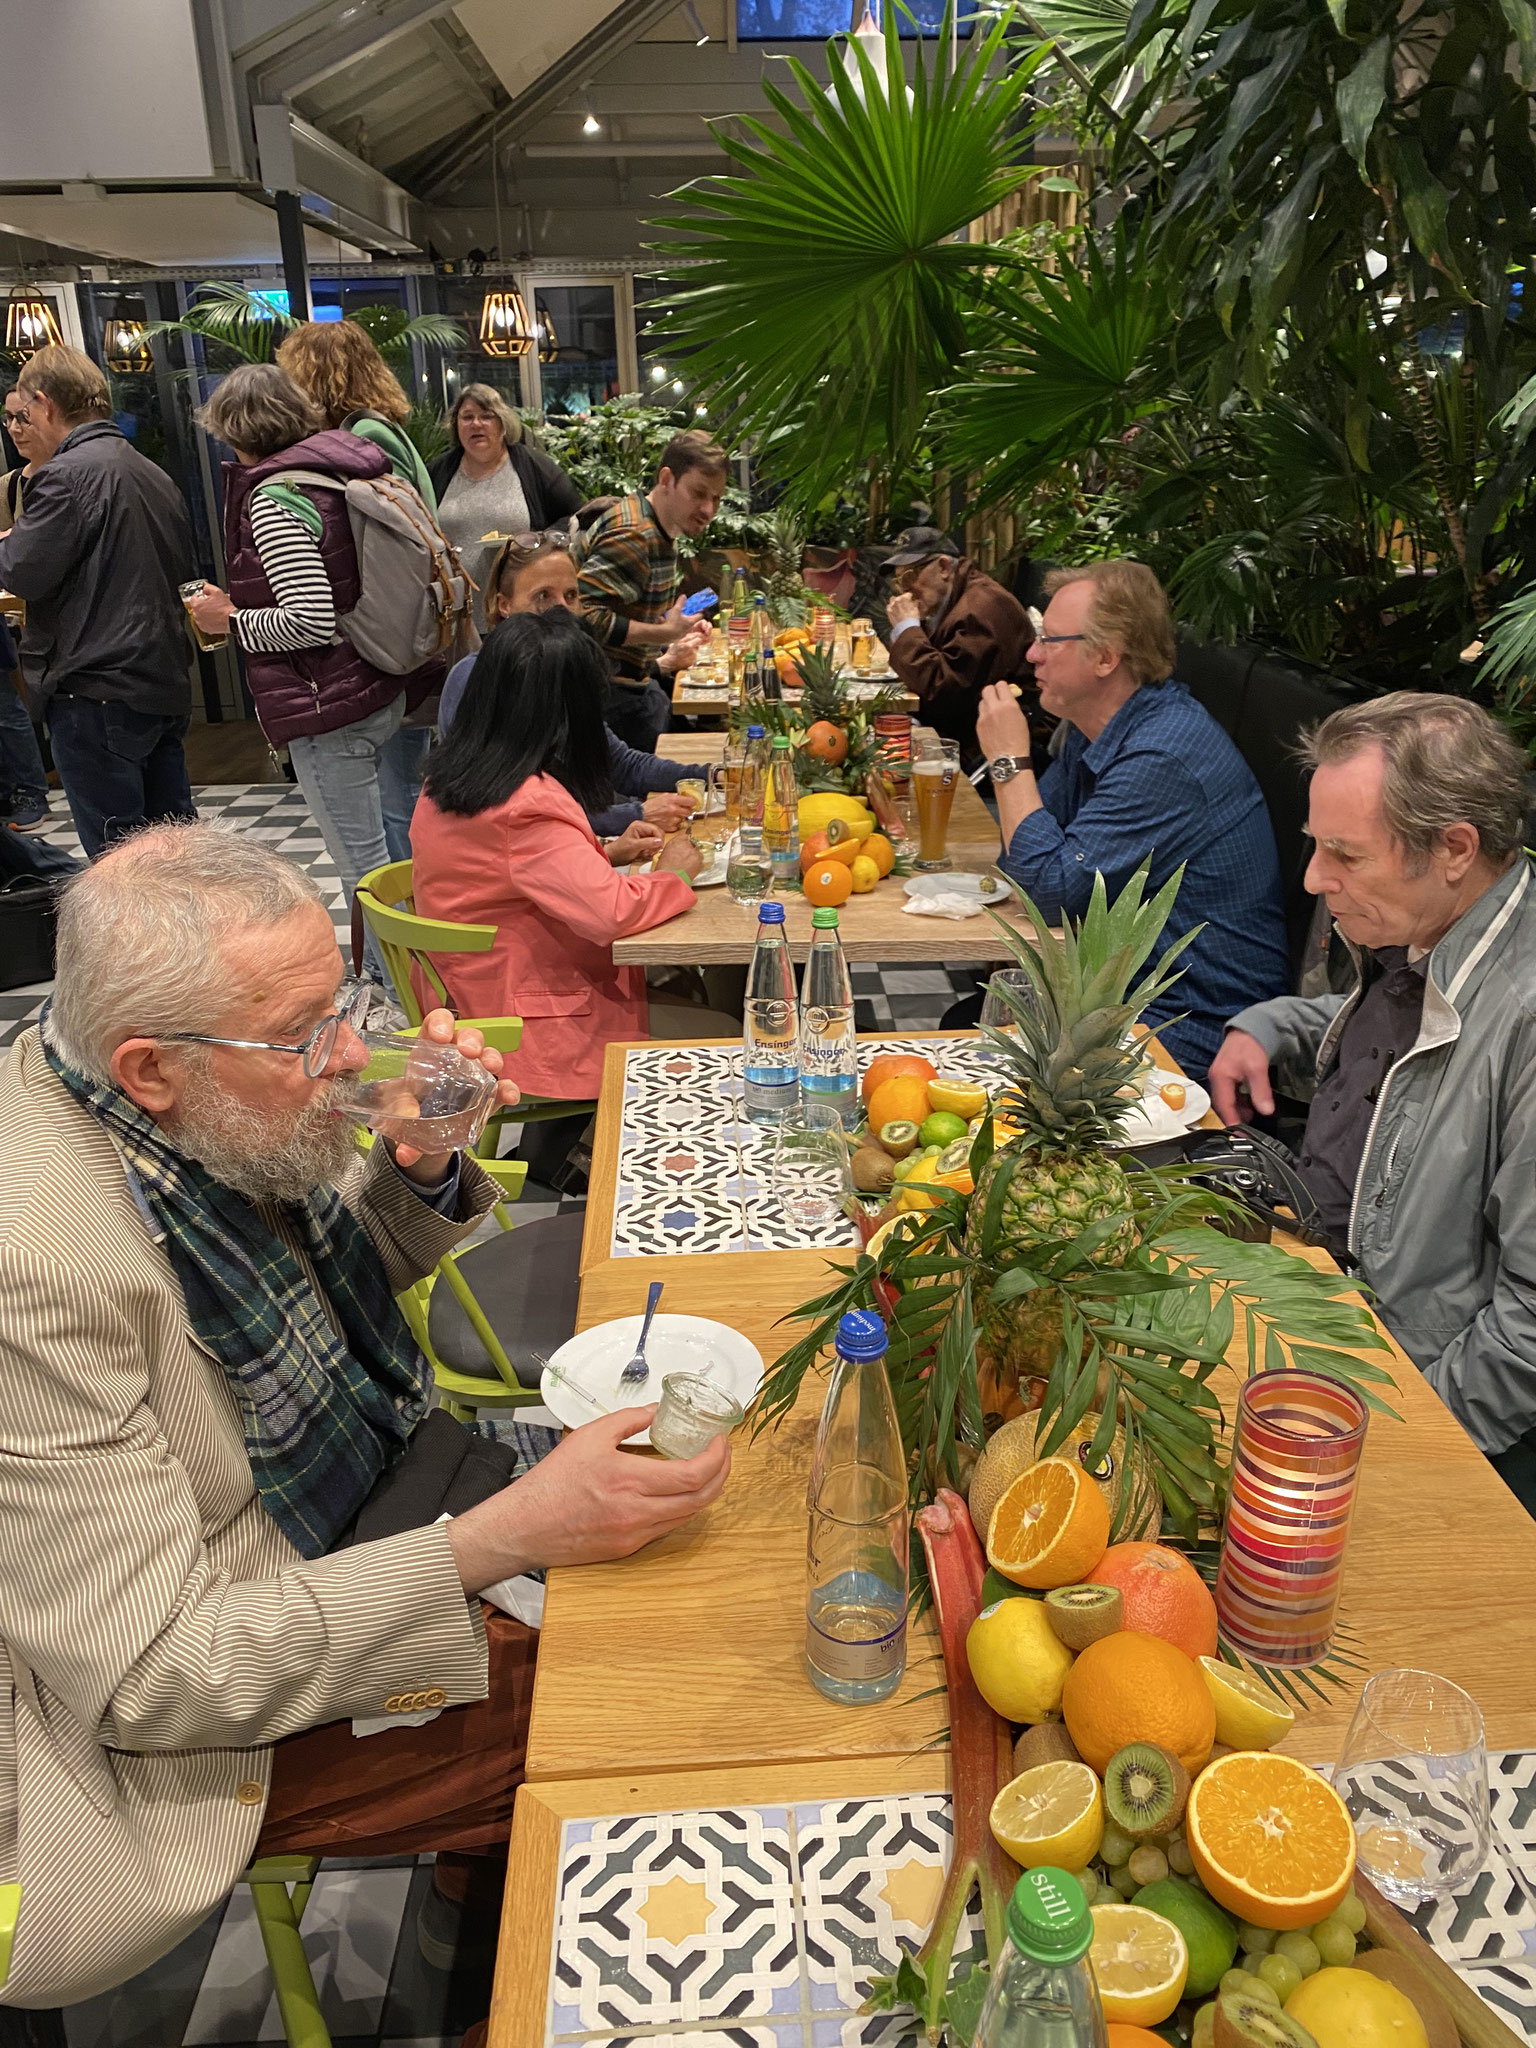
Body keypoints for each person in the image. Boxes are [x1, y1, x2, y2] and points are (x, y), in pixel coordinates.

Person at [0, 822, 730, 2005]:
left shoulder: (168, 1110)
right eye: (302, 1038)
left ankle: (471, 1893)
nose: (348, 1055)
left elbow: (309, 1289)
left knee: (683, 1558)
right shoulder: (36, 1266)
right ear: (148, 1066)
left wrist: (425, 1163)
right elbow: (154, 1679)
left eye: (342, 1005)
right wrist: (505, 1536)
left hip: (378, 1500)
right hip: (193, 1736)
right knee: (657, 1682)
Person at [1208, 693, 1536, 1516]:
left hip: (1393, 1410)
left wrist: (1392, 1453)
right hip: (1307, 1296)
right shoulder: (1433, 928)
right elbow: (1412, 1061)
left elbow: (1528, 1330)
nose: (1316, 879)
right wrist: (1272, 1024)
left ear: (1455, 847)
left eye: (1344, 856)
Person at [972, 559, 1289, 1078]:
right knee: (967, 1027)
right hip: (1118, 1004)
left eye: (1049, 639)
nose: (1031, 654)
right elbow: (1025, 858)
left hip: (1193, 1028)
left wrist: (1009, 762)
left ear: (1105, 657)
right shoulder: (1094, 728)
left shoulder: (1164, 756)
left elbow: (1048, 891)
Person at [411, 609, 737, 1108]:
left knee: (688, 984)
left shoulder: (455, 776)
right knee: (727, 1032)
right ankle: (601, 1149)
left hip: (477, 997)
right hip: (527, 1026)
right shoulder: (526, 804)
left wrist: (606, 852)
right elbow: (610, 914)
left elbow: (510, 875)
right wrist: (674, 874)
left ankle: (568, 1147)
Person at [185, 364, 432, 982]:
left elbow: (308, 621)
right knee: (386, 855)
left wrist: (230, 619)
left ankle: (397, 998)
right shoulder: (339, 469)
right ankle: (418, 977)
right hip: (377, 685)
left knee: (362, 869)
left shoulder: (274, 499)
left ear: (232, 431)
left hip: (329, 705)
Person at [0, 345, 195, 857]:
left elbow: (21, 572)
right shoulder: (149, 470)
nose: (19, 425)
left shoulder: (64, 476)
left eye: (23, 413)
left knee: (119, 865)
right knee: (175, 851)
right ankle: (190, 941)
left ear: (43, 402)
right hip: (158, 678)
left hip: (95, 685)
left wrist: (11, 539)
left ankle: (138, 943)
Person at [277, 319, 446, 857]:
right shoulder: (381, 431)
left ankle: (409, 935)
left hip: (391, 643)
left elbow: (380, 554)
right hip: (409, 636)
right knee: (401, 799)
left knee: (396, 811)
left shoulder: (362, 441)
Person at [439, 531, 704, 840]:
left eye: (571, 596)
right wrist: (636, 814)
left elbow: (620, 763)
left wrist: (710, 775)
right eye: (543, 596)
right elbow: (508, 819)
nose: (562, 610)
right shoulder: (474, 680)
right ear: (504, 605)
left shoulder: (565, 672)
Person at [577, 428, 729, 752]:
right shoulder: (634, 534)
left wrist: (674, 629)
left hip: (634, 687)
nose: (709, 510)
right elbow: (580, 615)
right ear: (666, 479)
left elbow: (626, 603)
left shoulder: (658, 527)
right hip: (608, 702)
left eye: (716, 498)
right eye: (698, 493)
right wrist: (660, 634)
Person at [882, 525, 1039, 770]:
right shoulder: (953, 600)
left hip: (987, 752)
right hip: (964, 733)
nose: (905, 590)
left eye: (910, 577)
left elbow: (944, 691)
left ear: (944, 567)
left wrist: (907, 629)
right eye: (899, 581)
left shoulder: (980, 609)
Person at [428, 384, 581, 629]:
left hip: (520, 615)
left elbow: (573, 516)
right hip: (455, 616)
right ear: (456, 426)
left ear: (502, 423)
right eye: (467, 417)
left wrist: (538, 545)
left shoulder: (532, 467)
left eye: (486, 416)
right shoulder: (439, 471)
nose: (476, 424)